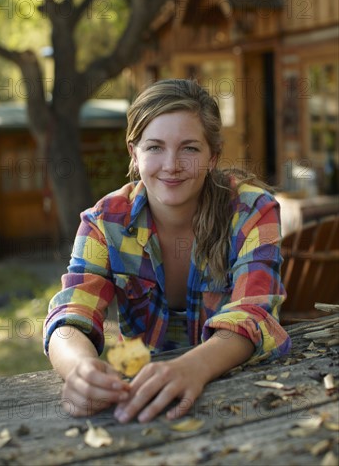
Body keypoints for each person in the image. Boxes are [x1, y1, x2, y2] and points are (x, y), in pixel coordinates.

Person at [44, 79, 291, 424]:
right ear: (134, 153)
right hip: (141, 394)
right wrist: (79, 369)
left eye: (189, 148)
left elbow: (254, 312)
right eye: (155, 147)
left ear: (213, 156)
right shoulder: (104, 222)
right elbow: (71, 314)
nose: (172, 165)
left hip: (243, 395)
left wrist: (194, 367)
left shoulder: (252, 210)